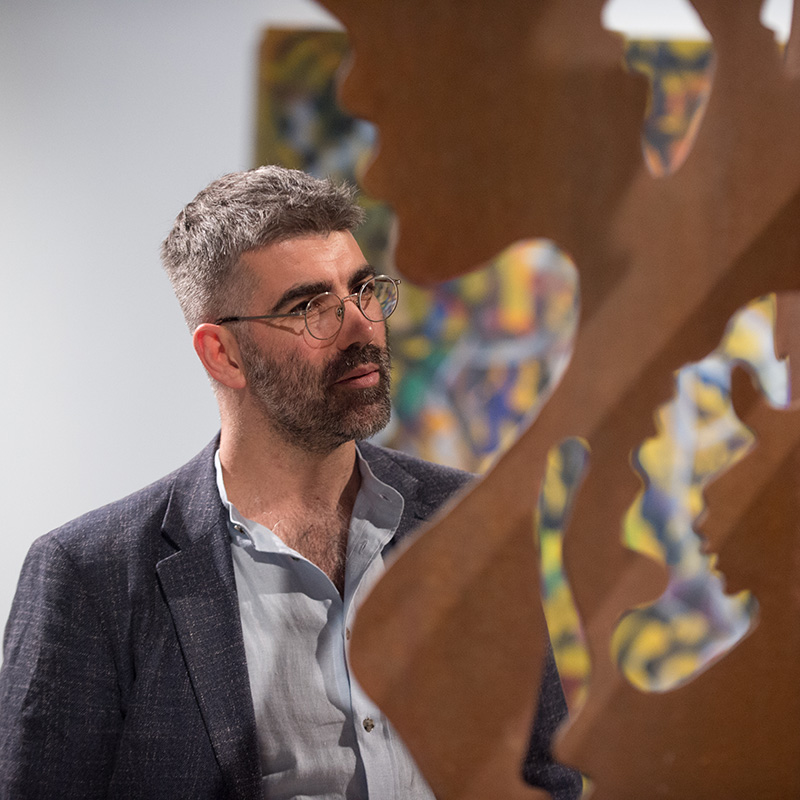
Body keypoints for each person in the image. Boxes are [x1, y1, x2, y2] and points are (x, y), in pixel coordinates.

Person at [0, 166, 580, 799]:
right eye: (309, 308)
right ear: (223, 353)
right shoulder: (92, 576)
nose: (361, 326)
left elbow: (546, 774)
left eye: (363, 290)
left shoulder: (469, 519)